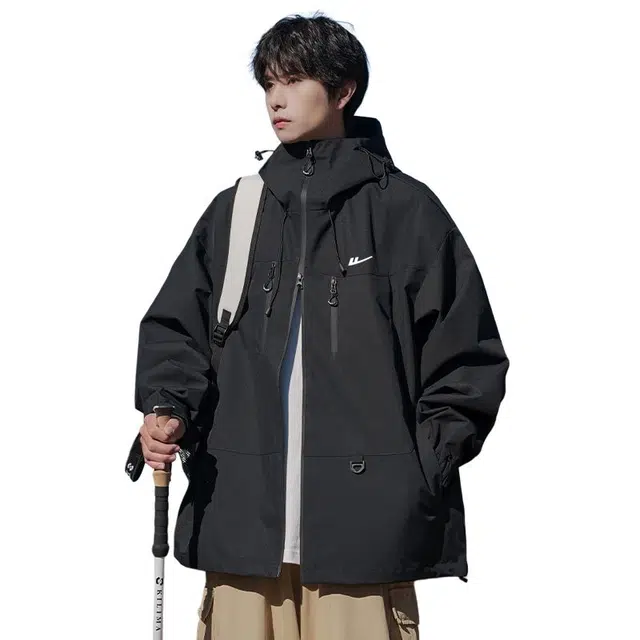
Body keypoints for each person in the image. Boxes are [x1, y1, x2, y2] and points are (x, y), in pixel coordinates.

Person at [132, 12, 510, 640]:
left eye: (293, 80)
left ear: (343, 90)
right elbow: (179, 333)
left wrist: (419, 473)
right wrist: (167, 407)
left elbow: (467, 359)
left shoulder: (407, 211)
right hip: (240, 528)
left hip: (363, 542)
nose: (275, 99)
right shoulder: (237, 212)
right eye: (268, 84)